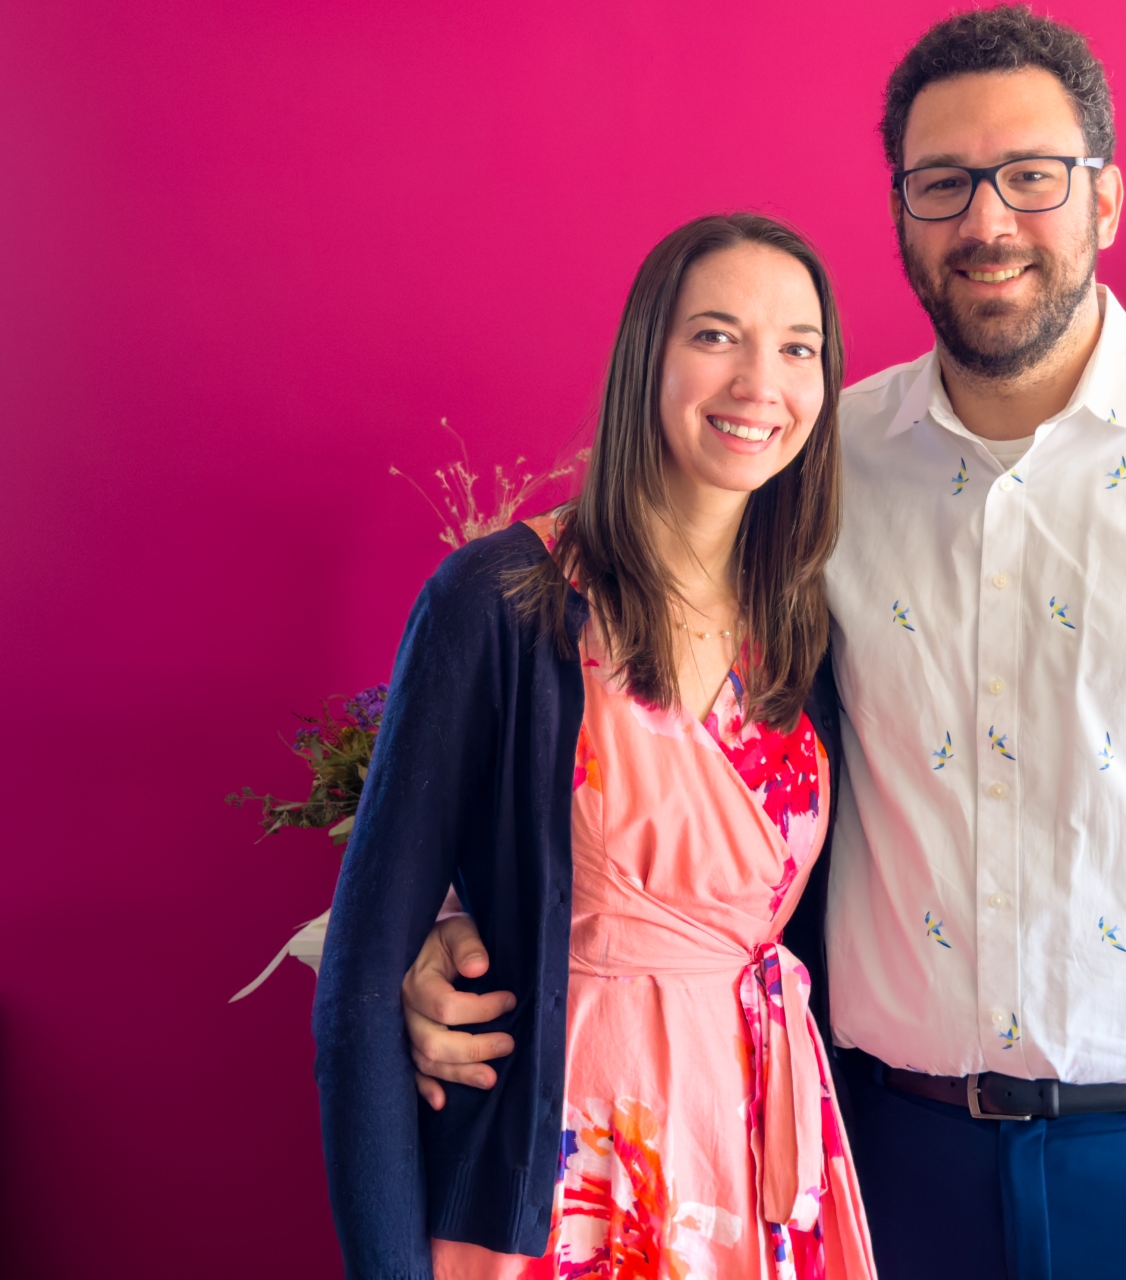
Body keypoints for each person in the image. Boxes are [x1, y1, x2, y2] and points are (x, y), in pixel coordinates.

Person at [401, 9, 1126, 1278]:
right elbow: (648, 711)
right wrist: (455, 920)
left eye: (1032, 176)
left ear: (1104, 198)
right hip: (889, 1165)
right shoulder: (813, 458)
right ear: (901, 212)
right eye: (942, 182)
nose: (986, 220)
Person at [313, 212, 879, 1280]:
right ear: (645, 357)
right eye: (716, 335)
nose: (760, 381)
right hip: (563, 1181)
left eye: (798, 348)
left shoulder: (804, 632)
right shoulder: (502, 601)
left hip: (757, 1170)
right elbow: (359, 977)